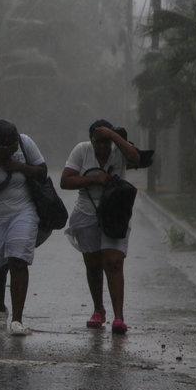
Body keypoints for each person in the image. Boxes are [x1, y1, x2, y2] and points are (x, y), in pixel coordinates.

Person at [0, 120, 48, 336]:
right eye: (6, 145)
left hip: (23, 209)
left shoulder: (25, 143)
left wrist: (19, 166)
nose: (13, 147)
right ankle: (0, 308)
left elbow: (42, 171)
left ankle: (17, 320)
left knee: (18, 260)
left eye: (14, 143)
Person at [60, 119, 140, 334]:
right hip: (87, 212)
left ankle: (119, 317)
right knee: (93, 263)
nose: (103, 147)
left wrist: (115, 136)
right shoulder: (81, 150)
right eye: (98, 142)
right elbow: (65, 181)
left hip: (115, 212)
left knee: (113, 261)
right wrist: (93, 179)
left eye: (106, 142)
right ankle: (98, 310)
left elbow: (135, 157)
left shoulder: (120, 150)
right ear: (91, 141)